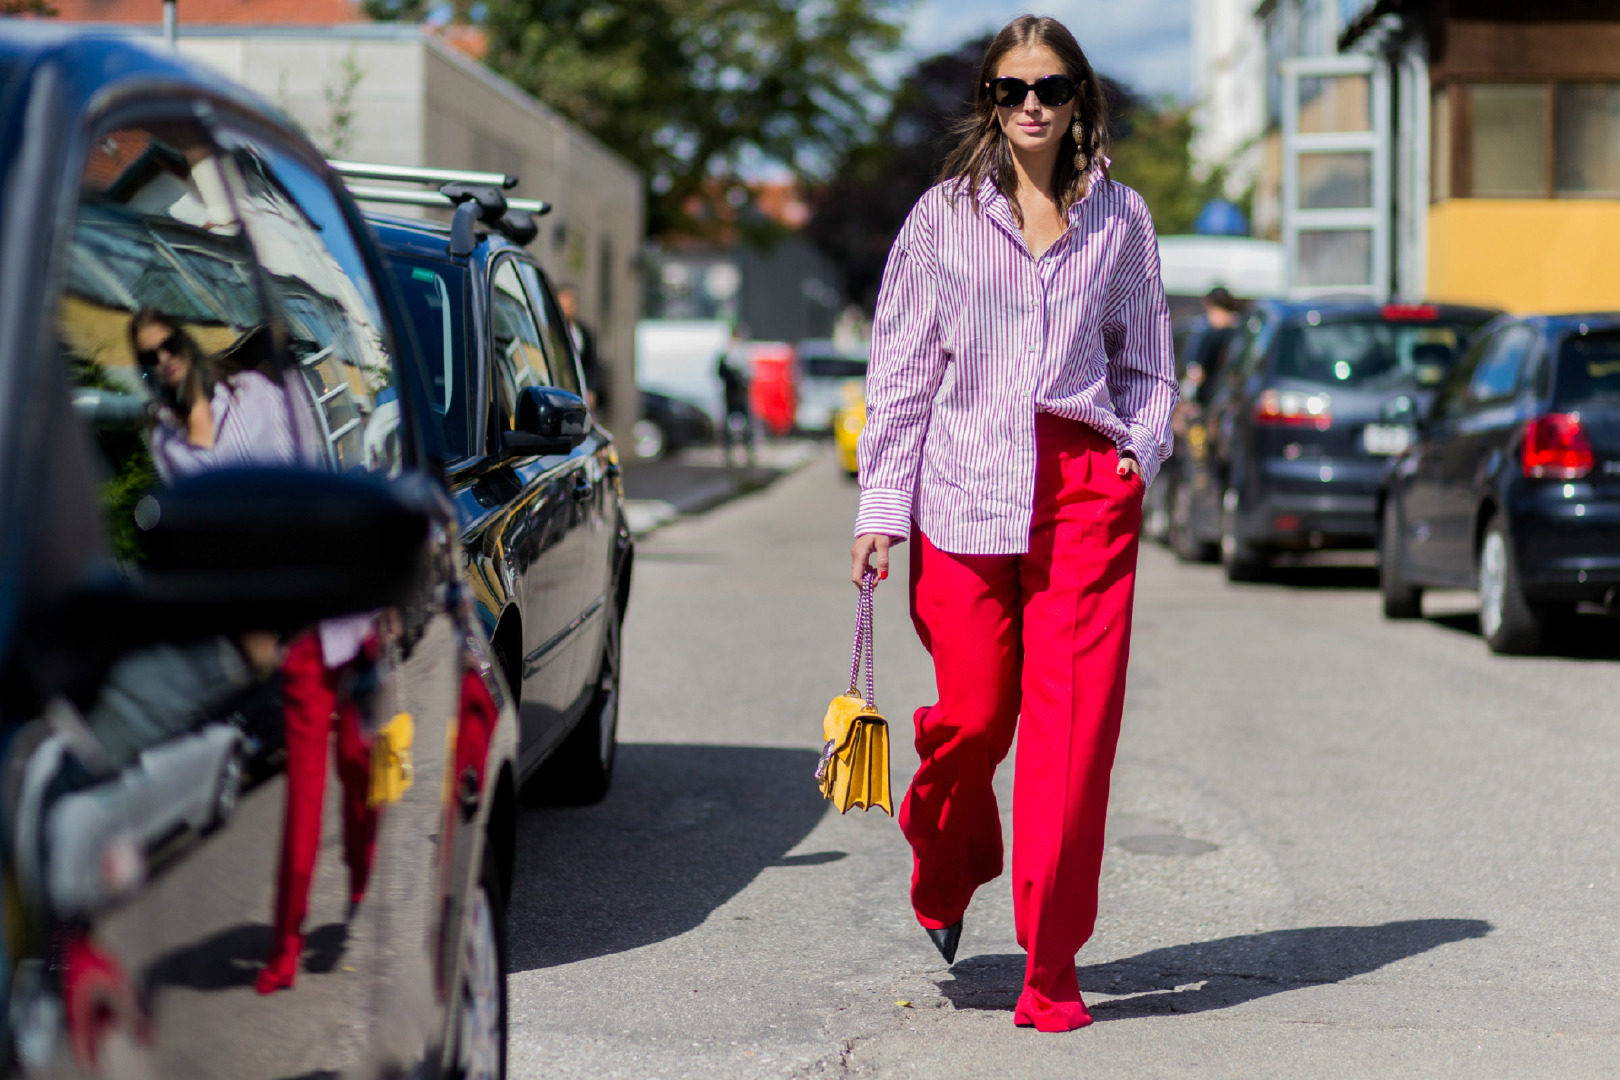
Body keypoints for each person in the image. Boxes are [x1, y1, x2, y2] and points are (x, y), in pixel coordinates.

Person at [849, 16, 1176, 1033]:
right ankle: (946, 847)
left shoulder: (1122, 218)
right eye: (1010, 88)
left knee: (1072, 745)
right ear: (989, 104)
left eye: (1051, 85)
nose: (1031, 103)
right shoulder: (941, 220)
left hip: (1084, 491)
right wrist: (878, 511)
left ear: (1081, 98)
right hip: (962, 493)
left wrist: (1135, 457)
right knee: (978, 718)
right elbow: (901, 378)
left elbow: (1150, 365)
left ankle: (1051, 966)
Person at [129, 309, 294, 481]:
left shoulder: (250, 389)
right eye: (150, 357)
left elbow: (299, 460)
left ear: (184, 341)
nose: (164, 358)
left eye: (169, 344)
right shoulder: (163, 437)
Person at [557, 285, 607, 411]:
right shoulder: (552, 333)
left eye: (570, 305)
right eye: (563, 305)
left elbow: (592, 363)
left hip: (580, 394)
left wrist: (591, 389)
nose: (567, 309)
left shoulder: (583, 332)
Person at [716, 327, 754, 467]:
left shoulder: (743, 355)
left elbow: (750, 374)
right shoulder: (726, 355)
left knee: (747, 427)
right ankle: (728, 454)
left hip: (741, 395)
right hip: (730, 395)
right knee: (727, 427)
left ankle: (749, 454)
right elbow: (720, 373)